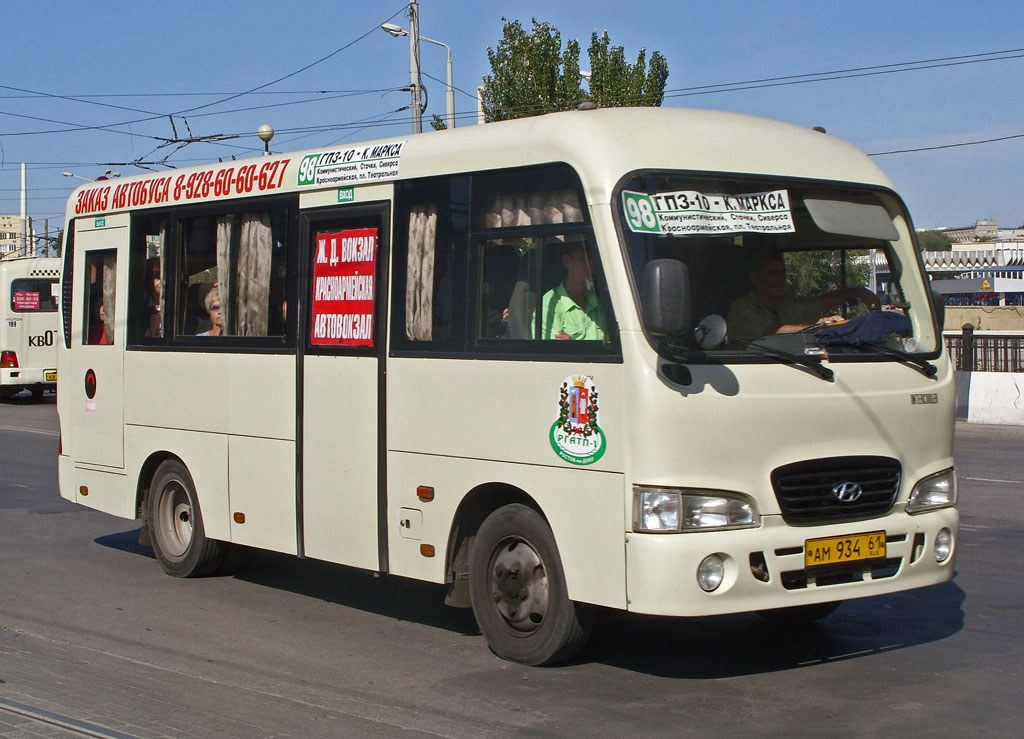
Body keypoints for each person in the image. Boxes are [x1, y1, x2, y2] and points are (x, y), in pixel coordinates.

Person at [727, 252, 881, 340]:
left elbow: (822, 302)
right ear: (755, 277)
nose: (781, 278)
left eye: (783, 272)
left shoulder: (785, 304)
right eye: (773, 273)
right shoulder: (741, 308)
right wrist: (824, 327)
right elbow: (774, 331)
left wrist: (859, 292)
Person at [539, 243, 607, 341]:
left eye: (594, 259)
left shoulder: (599, 304)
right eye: (585, 258)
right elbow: (552, 351)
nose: (591, 265)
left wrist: (573, 345)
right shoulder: (550, 305)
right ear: (566, 261)